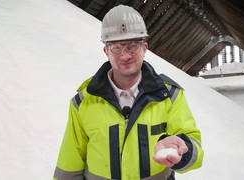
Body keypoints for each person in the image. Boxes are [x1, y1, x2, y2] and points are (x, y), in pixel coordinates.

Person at [54, 5, 203, 180]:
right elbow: (69, 165)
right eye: (116, 47)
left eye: (132, 45)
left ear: (145, 48)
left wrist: (182, 149)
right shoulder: (83, 102)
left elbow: (195, 149)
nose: (125, 55)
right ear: (106, 51)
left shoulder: (169, 96)